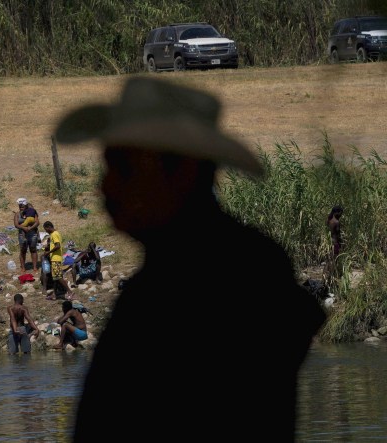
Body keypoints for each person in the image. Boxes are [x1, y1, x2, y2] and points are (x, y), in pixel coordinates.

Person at [53, 76, 326, 441]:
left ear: (181, 172)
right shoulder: (219, 268)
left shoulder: (221, 283)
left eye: (123, 167)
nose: (105, 187)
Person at [42, 221, 74, 300]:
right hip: (55, 258)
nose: (46, 231)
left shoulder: (54, 234)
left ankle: (69, 291)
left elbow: (57, 246)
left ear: (49, 227)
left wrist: (48, 252)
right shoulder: (55, 233)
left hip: (56, 258)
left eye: (46, 229)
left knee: (58, 277)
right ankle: (55, 294)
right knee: (55, 278)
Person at [13, 197, 40, 273]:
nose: (21, 207)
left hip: (32, 233)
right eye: (20, 206)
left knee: (33, 249)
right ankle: (23, 267)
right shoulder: (17, 214)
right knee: (23, 250)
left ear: (26, 206)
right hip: (22, 234)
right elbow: (16, 224)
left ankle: (35, 267)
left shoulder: (32, 212)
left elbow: (37, 222)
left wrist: (31, 228)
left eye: (22, 206)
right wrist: (23, 228)